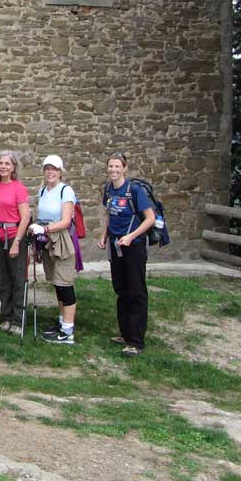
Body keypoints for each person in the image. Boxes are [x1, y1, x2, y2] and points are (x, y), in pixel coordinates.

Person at [98, 151, 155, 356]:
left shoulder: (135, 190)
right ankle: (125, 333)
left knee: (136, 291)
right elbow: (109, 215)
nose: (113, 170)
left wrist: (131, 236)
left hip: (134, 246)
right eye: (110, 166)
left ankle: (137, 341)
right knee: (121, 289)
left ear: (124, 168)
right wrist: (105, 235)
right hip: (116, 245)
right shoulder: (108, 190)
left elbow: (149, 218)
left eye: (117, 166)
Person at [29, 155, 78, 345]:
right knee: (57, 283)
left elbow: (65, 221)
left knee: (65, 283)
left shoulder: (66, 191)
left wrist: (46, 229)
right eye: (47, 168)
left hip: (62, 240)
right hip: (48, 241)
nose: (50, 172)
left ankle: (68, 332)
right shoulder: (42, 191)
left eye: (54, 169)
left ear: (60, 172)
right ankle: (62, 323)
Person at [0, 151, 30, 334]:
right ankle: (6, 316)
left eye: (7, 163)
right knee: (2, 279)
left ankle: (18, 320)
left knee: (17, 278)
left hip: (14, 237)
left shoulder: (18, 188)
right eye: (0, 163)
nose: (3, 166)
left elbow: (25, 217)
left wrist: (17, 242)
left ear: (13, 167)